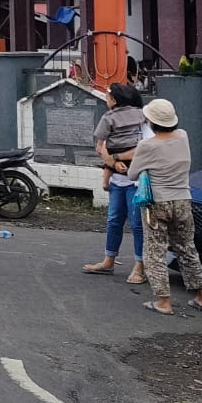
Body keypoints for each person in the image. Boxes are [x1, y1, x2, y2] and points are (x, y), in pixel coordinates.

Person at [132, 98, 202, 315]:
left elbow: (133, 173)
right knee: (187, 248)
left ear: (151, 122)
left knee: (155, 250)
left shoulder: (146, 145)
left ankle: (164, 302)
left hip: (157, 202)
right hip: (183, 199)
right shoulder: (183, 136)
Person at [83, 83, 149, 280]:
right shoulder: (139, 115)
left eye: (108, 96)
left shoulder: (131, 118)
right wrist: (113, 162)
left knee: (136, 224)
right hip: (119, 180)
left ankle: (140, 266)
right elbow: (101, 148)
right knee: (115, 221)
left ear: (114, 100)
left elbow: (142, 147)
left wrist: (114, 159)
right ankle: (108, 260)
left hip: (136, 180)